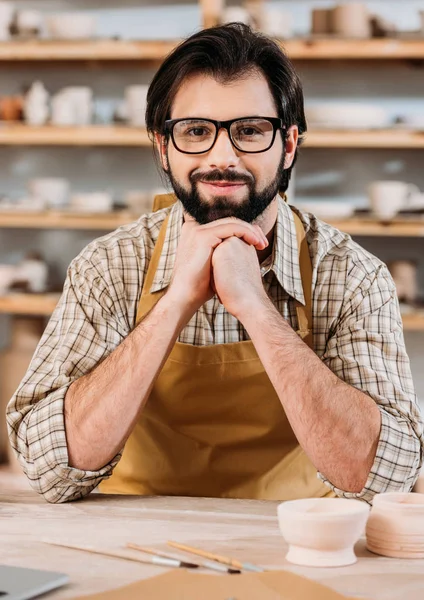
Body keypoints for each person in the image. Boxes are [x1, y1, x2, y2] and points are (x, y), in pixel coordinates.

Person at [7, 24, 423, 504]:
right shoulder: (108, 267)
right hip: (132, 548)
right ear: (163, 148)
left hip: (293, 549)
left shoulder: (352, 276)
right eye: (196, 131)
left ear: (288, 145)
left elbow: (385, 481)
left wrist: (257, 309)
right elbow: (48, 469)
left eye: (248, 131)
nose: (222, 156)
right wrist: (175, 302)